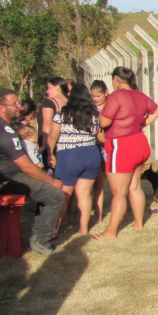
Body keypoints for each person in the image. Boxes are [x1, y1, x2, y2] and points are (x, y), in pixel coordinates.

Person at [0, 88, 65, 256]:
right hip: (6, 180)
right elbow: (26, 166)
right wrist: (52, 181)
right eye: (14, 104)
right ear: (1, 107)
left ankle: (40, 232)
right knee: (56, 195)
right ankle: (41, 240)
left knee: (47, 191)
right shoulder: (5, 132)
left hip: (0, 176)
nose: (19, 107)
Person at [94, 67, 158, 240]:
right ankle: (138, 223)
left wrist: (101, 117)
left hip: (122, 145)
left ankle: (110, 231)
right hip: (140, 142)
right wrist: (143, 123)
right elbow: (156, 110)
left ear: (116, 79)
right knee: (135, 186)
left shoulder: (117, 96)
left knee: (119, 192)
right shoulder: (140, 95)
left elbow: (105, 120)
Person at [49, 83, 103, 238]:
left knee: (64, 196)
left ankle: (55, 230)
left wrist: (50, 153)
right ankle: (84, 229)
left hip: (69, 155)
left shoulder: (62, 114)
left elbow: (53, 135)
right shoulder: (94, 114)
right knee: (84, 194)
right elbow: (100, 137)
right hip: (91, 154)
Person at [90, 80, 109, 225]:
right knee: (99, 181)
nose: (95, 99)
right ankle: (99, 214)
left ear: (106, 93)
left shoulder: (111, 106)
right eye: (93, 96)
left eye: (98, 96)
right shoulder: (90, 108)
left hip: (109, 145)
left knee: (117, 181)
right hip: (95, 146)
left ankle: (122, 212)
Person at [39, 77, 69, 166]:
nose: (47, 91)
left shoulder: (49, 102)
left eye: (49, 88)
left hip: (53, 144)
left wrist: (45, 146)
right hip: (66, 143)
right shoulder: (69, 101)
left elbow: (47, 123)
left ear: (57, 87)